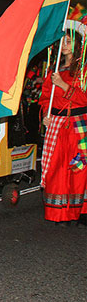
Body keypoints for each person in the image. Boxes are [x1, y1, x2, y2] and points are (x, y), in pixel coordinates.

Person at [38, 32, 87, 224]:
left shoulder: (83, 70)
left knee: (78, 167)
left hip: (78, 125)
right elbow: (45, 98)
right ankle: (59, 213)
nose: (65, 45)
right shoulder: (54, 70)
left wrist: (64, 86)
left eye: (69, 41)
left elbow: (84, 98)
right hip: (57, 125)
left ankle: (80, 211)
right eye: (63, 42)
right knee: (56, 168)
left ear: (77, 45)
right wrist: (45, 116)